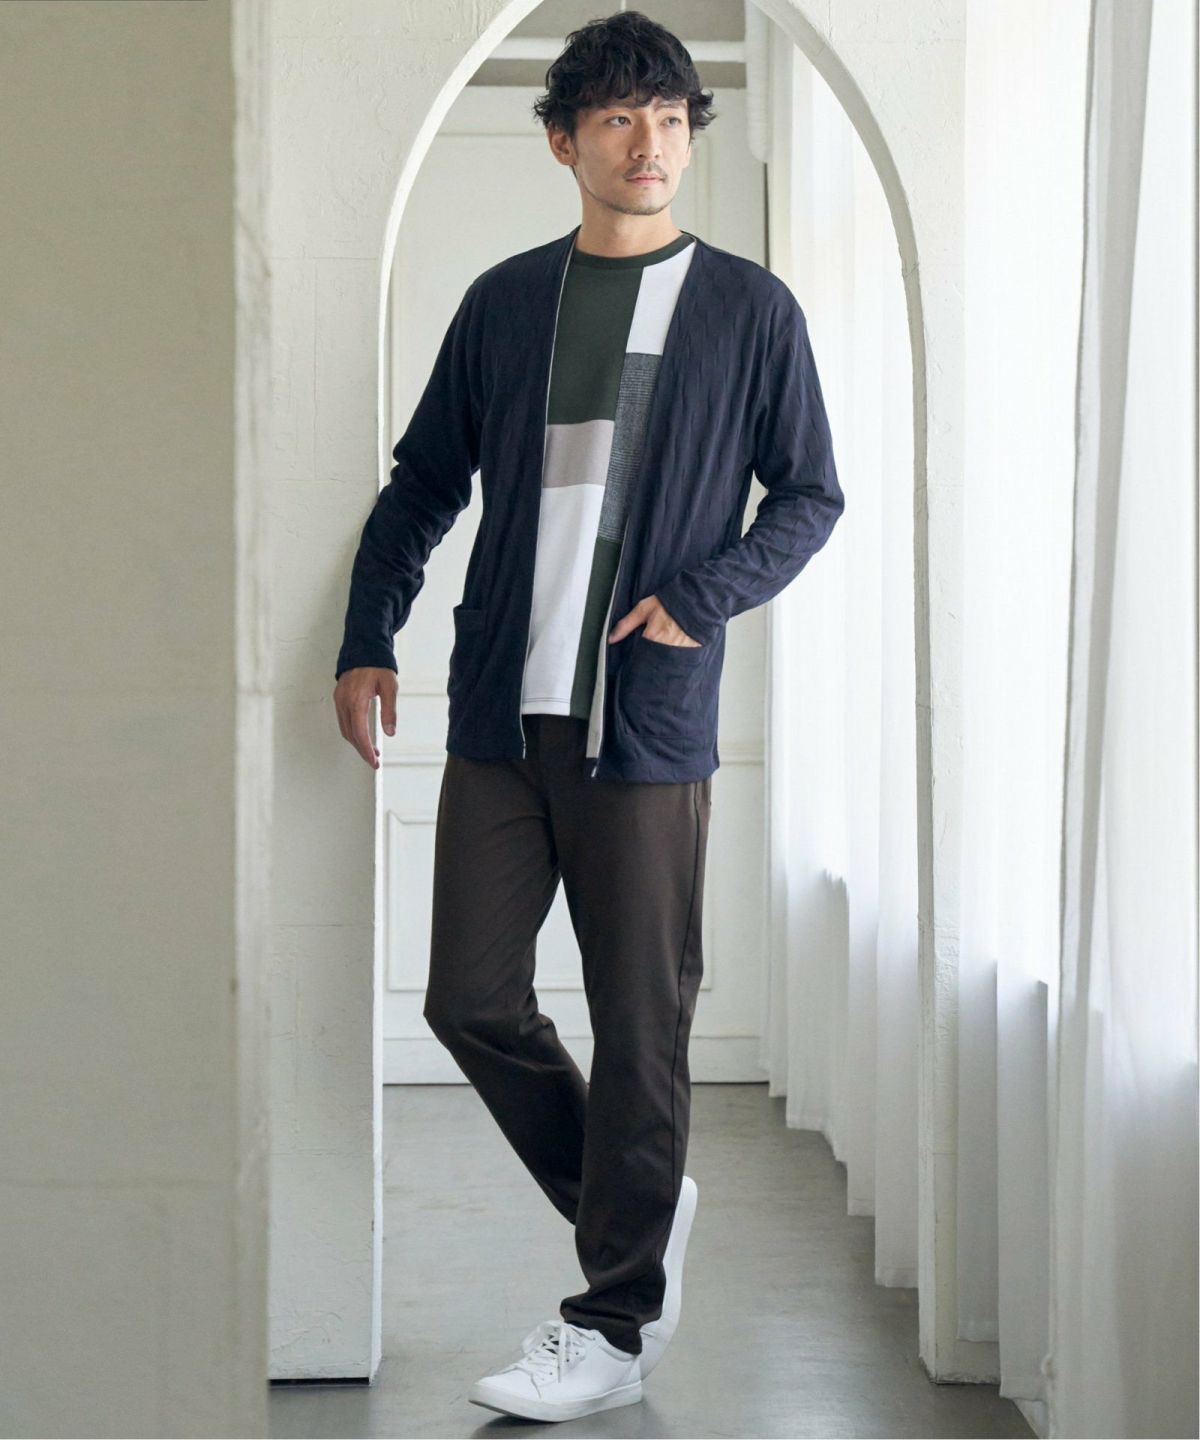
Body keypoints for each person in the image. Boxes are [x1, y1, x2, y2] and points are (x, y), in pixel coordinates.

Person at [332, 9, 843, 1423]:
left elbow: (810, 494)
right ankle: (640, 1203)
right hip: (504, 716)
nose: (650, 142)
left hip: (647, 724)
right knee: (470, 999)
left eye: (670, 118)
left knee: (639, 1020)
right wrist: (368, 636)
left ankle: (612, 1323)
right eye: (619, 118)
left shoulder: (749, 310)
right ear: (564, 141)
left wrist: (703, 595)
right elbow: (422, 482)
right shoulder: (507, 302)